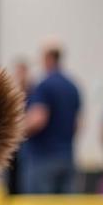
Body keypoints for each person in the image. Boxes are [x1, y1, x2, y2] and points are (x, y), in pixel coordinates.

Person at [22, 40, 81, 194]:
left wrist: (15, 130)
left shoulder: (44, 86)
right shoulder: (72, 86)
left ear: (47, 58)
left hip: (42, 159)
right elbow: (77, 125)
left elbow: (38, 119)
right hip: (67, 157)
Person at [5, 58, 31, 194]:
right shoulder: (9, 98)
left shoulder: (34, 95)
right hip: (12, 150)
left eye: (23, 72)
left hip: (26, 149)